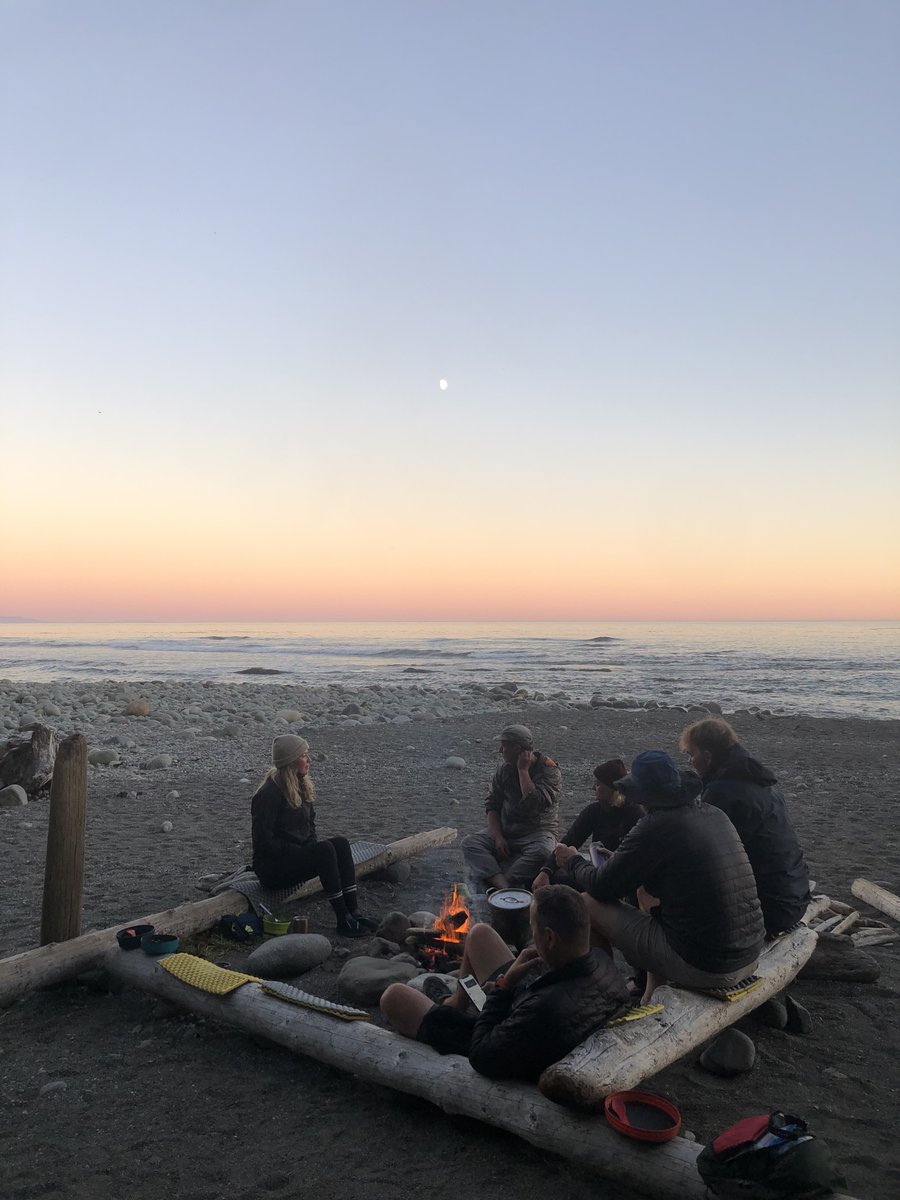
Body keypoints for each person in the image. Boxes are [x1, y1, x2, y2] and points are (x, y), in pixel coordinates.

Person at [553, 750, 764, 1005]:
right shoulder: (714, 813)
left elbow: (600, 887)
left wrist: (573, 860)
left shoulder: (655, 826)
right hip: (750, 953)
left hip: (709, 966)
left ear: (642, 795)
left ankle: (602, 993)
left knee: (586, 902)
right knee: (645, 893)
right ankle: (651, 991)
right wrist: (624, 861)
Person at [380, 884, 629, 1081]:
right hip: (540, 1004)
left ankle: (451, 1011)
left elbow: (481, 1055)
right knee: (479, 934)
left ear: (550, 937)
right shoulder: (602, 962)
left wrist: (504, 986)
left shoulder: (543, 1010)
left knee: (393, 997)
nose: (533, 936)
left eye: (534, 930)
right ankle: (457, 1001)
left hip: (506, 1032)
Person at [680, 718, 811, 937]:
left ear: (708, 756)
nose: (691, 761)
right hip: (795, 896)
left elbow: (704, 857)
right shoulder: (756, 780)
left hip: (770, 910)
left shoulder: (723, 793)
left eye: (691, 754)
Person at [250, 734, 376, 938]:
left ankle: (355, 913)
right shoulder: (268, 794)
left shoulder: (300, 785)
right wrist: (301, 852)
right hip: (273, 868)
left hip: (294, 858)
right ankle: (343, 919)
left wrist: (309, 850)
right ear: (291, 761)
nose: (309, 760)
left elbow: (311, 827)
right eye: (304, 755)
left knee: (341, 844)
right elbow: (264, 843)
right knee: (324, 851)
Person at [461, 724, 561, 891]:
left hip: (537, 832)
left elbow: (532, 804)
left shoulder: (548, 770)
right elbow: (492, 805)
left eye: (505, 746)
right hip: (507, 830)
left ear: (519, 748)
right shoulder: (504, 770)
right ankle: (503, 884)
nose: (501, 751)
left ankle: (504, 880)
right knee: (470, 844)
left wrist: (523, 770)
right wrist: (498, 836)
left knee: (544, 852)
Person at [559, 757, 643, 853]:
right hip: (601, 866)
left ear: (613, 788)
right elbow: (570, 840)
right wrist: (547, 867)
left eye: (598, 784)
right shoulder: (594, 811)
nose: (593, 788)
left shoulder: (635, 815)